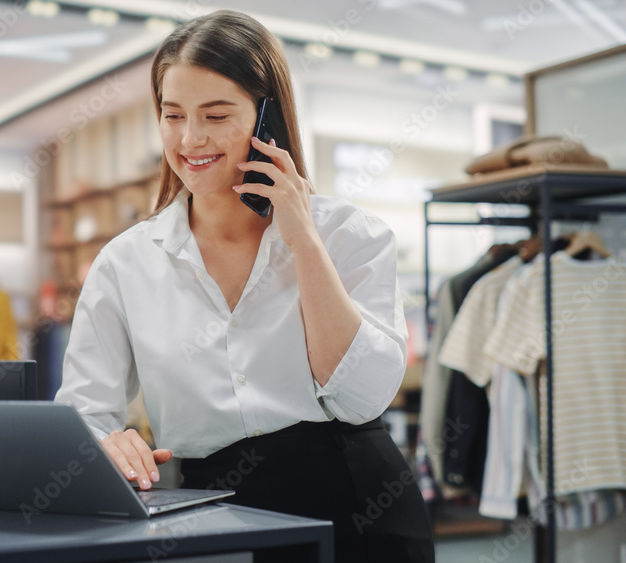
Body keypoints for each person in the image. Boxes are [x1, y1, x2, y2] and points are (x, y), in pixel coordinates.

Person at [54, 10, 434, 562]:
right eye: (173, 115)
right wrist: (106, 443)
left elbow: (363, 397)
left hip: (359, 506)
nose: (190, 138)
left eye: (216, 115)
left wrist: (303, 239)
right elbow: (85, 411)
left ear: (267, 118)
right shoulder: (124, 264)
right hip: (215, 516)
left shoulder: (350, 235)